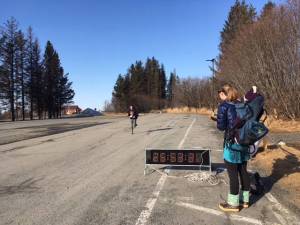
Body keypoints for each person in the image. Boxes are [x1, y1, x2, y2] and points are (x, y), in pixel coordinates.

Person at [217, 85, 250, 212]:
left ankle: (233, 204)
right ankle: (245, 200)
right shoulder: (243, 104)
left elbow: (221, 127)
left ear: (225, 94)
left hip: (232, 143)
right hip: (245, 142)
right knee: (243, 170)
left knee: (233, 173)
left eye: (220, 93)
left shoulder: (224, 106)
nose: (219, 95)